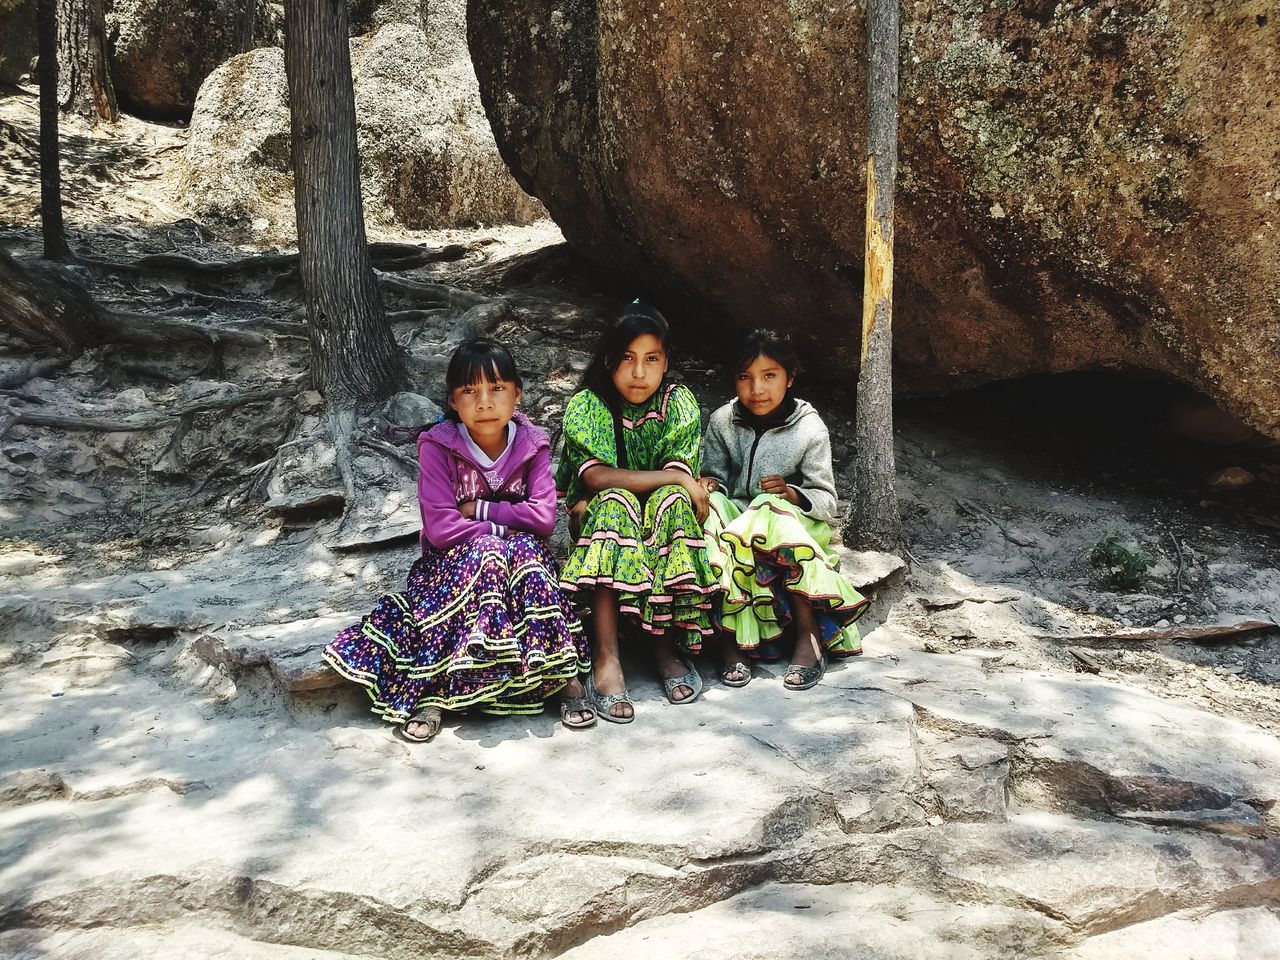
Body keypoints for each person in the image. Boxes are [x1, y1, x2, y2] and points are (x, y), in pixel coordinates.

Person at [324, 339, 594, 741]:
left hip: (523, 564)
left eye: (498, 389)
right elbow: (442, 528)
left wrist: (482, 511)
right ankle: (434, 690)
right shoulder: (439, 445)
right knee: (488, 553)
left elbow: (542, 518)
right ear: (453, 401)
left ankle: (562, 677)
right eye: (470, 391)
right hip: (451, 568)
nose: (485, 402)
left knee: (523, 555)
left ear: (517, 394)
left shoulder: (532, 443)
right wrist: (504, 531)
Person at [556, 302, 716, 721]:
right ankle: (607, 656)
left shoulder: (678, 402)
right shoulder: (589, 404)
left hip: (661, 516)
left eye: (651, 360)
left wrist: (678, 482)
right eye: (627, 358)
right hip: (601, 518)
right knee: (616, 501)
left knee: (672, 503)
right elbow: (596, 478)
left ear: (666, 363)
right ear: (609, 361)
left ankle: (665, 646)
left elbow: (677, 472)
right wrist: (678, 479)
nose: (639, 373)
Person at [700, 329, 869, 690]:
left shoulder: (809, 429)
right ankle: (730, 643)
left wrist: (792, 493)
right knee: (709, 509)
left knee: (769, 506)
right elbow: (714, 476)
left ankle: (808, 638)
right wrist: (711, 485)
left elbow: (826, 502)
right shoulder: (722, 421)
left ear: (790, 378)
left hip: (793, 527)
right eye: (745, 377)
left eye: (769, 376)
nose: (756, 389)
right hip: (739, 523)